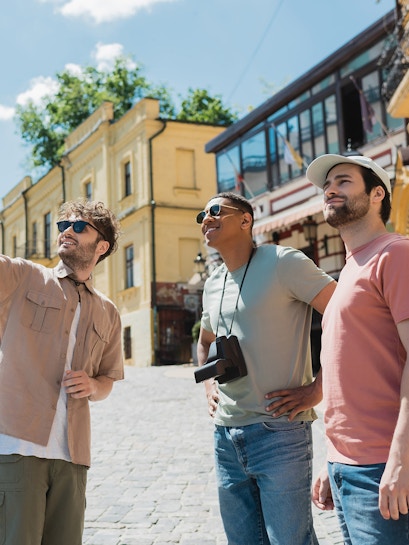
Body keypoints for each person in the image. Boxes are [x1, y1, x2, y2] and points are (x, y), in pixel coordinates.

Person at [195, 191, 336, 545]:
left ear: (246, 220)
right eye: (201, 215)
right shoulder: (213, 282)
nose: (206, 219)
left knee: (290, 541)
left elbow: (343, 313)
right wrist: (208, 387)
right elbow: (203, 342)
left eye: (215, 211)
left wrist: (319, 387)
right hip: (225, 435)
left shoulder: (283, 261)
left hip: (280, 431)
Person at [0, 199, 124, 545]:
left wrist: (92, 386)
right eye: (63, 225)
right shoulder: (23, 277)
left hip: (72, 457)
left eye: (79, 226)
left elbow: (108, 381)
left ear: (102, 246)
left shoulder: (109, 313)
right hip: (17, 447)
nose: (67, 230)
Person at [307, 154, 409, 545]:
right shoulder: (350, 269)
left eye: (344, 181)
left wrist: (400, 460)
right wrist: (332, 460)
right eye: (327, 185)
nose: (330, 189)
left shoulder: (394, 255)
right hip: (346, 467)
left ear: (377, 193)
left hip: (384, 467)